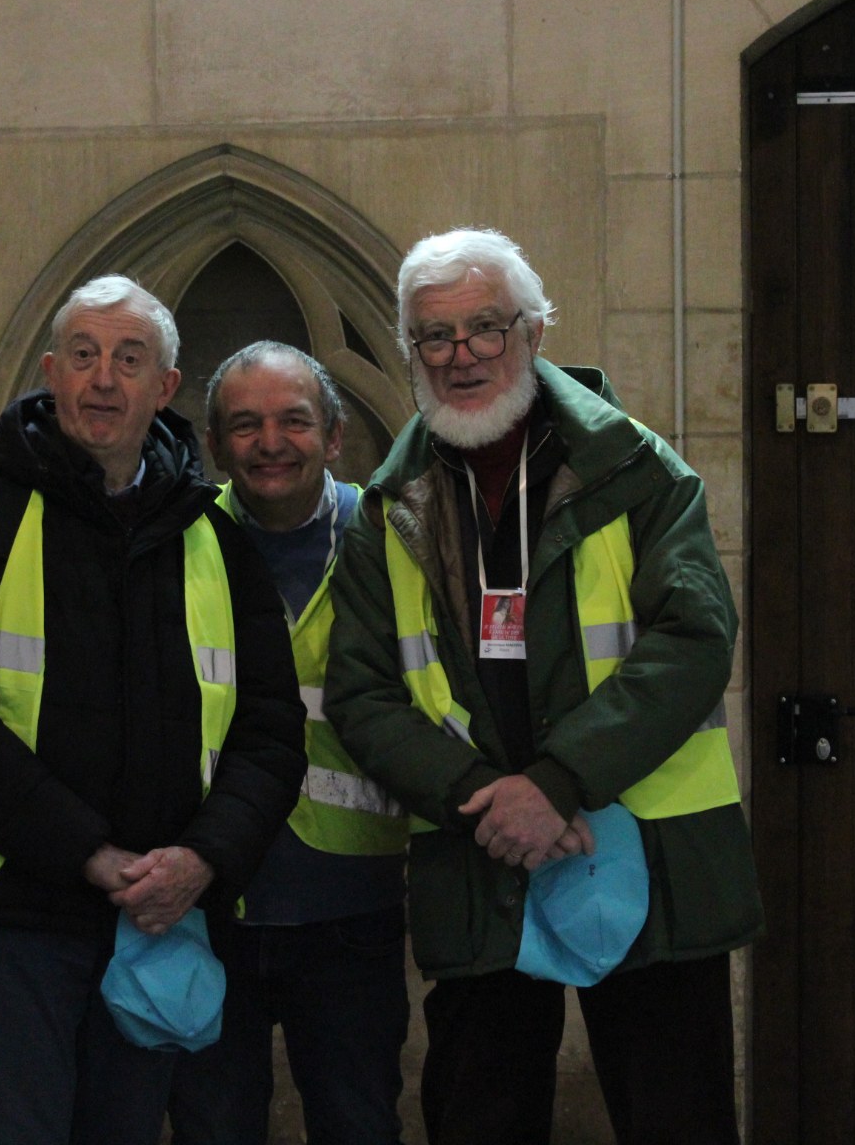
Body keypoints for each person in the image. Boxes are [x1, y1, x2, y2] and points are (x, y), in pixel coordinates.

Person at [323, 230, 763, 1145]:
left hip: (648, 847)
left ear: (532, 331)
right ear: (410, 354)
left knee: (676, 1119)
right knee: (480, 1116)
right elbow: (362, 694)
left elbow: (695, 639)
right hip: (480, 849)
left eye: (485, 327)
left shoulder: (637, 470)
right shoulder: (388, 504)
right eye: (433, 338)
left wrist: (557, 783)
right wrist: (490, 802)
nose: (462, 356)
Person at [0, 276, 306, 1145]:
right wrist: (88, 852)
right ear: (50, 373)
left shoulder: (218, 543)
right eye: (82, 356)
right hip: (10, 916)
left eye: (128, 359)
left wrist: (202, 858)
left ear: (165, 387)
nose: (102, 379)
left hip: (156, 913)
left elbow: (269, 730)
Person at [167, 343, 411, 1145]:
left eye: (294, 421)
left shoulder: (392, 540)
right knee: (213, 1127)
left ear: (335, 436)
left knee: (357, 1123)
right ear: (213, 446)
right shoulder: (178, 544)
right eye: (245, 424)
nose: (270, 442)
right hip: (213, 903)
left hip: (352, 906)